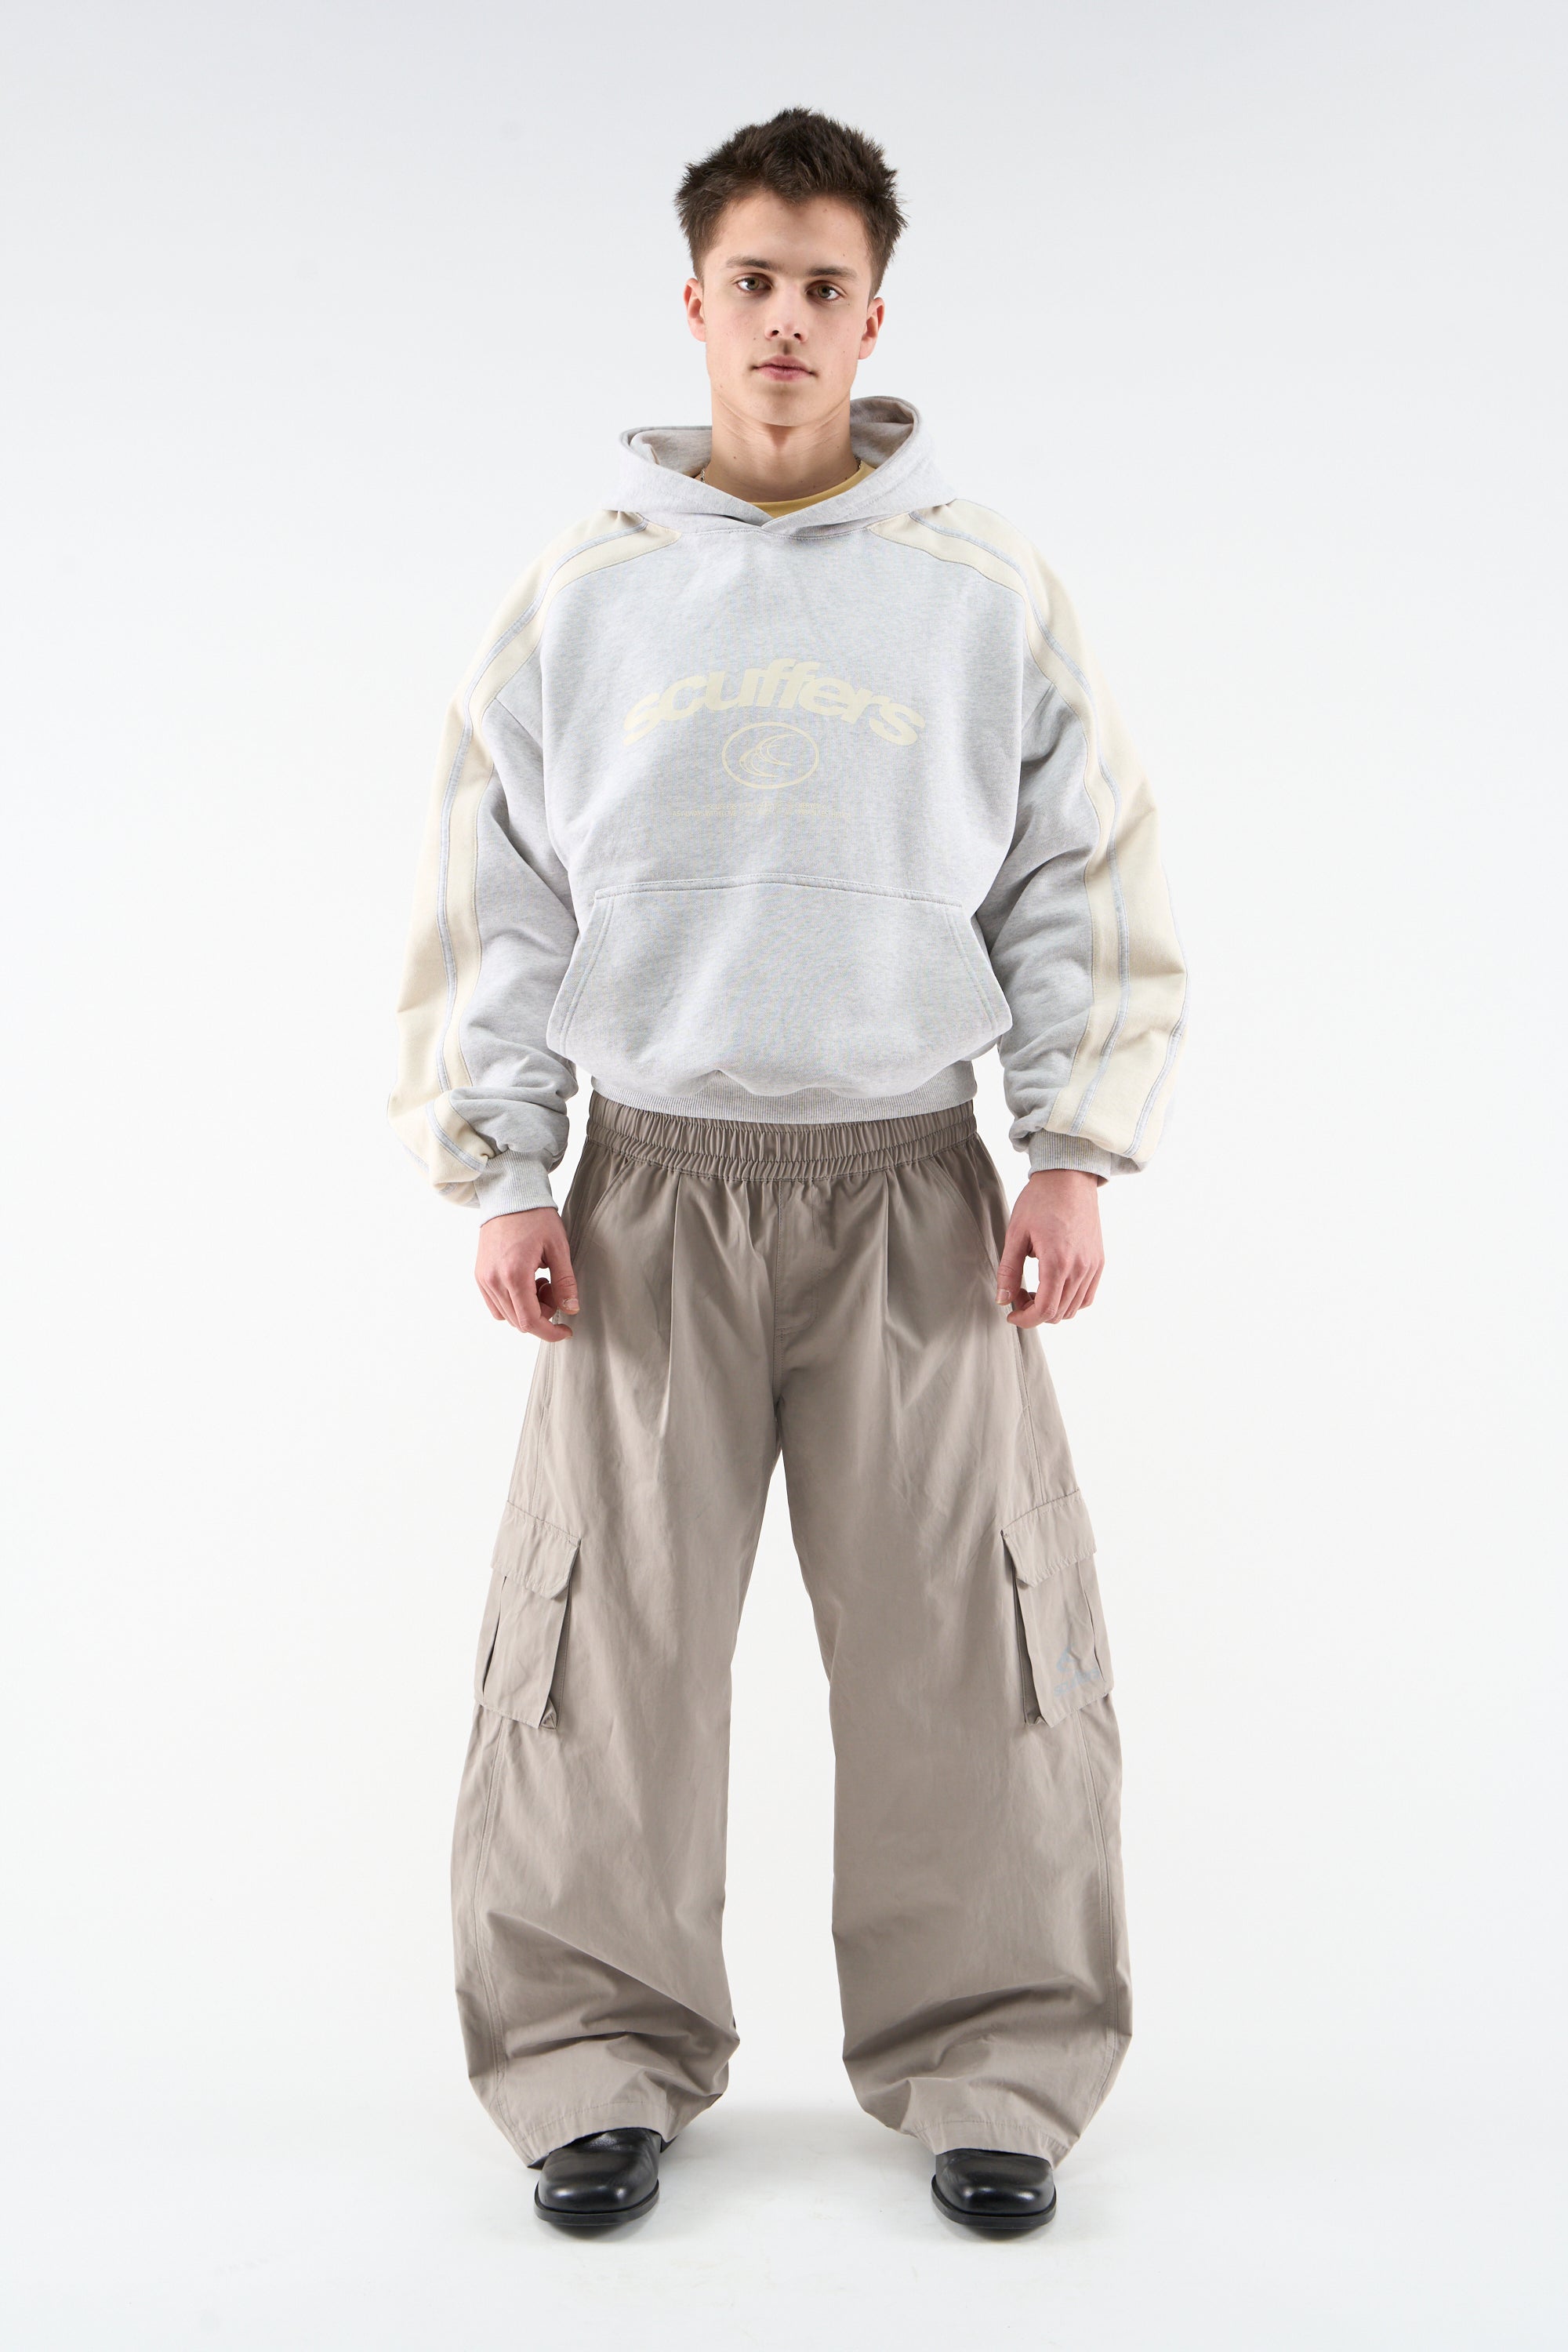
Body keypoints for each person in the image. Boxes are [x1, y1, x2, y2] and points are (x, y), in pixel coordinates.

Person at [389, 106, 1187, 2238]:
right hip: (648, 1188)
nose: (786, 322)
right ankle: (592, 2055)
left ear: (873, 319)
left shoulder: (979, 587)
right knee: (605, 1647)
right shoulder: (587, 594)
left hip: (913, 1187)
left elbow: (1078, 868)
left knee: (971, 1638)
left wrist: (1070, 1146)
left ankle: (992, 2059)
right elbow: (493, 885)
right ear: (695, 303)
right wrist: (509, 1166)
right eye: (753, 281)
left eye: (826, 287)